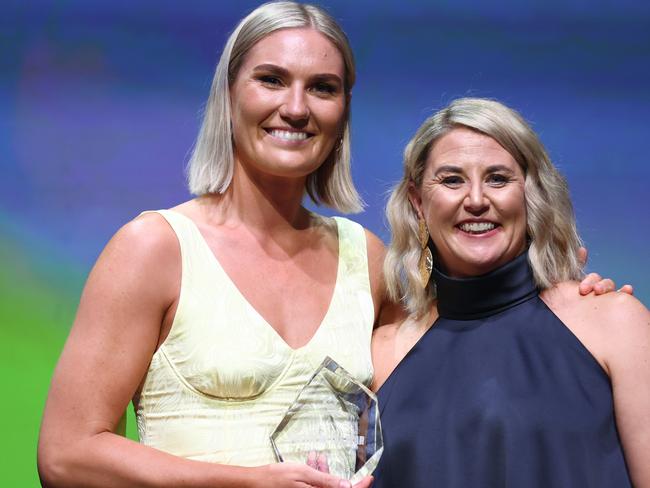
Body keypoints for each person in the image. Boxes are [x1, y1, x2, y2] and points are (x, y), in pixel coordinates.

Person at [37, 3, 622, 487]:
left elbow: (468, 346)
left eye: (323, 87)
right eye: (271, 80)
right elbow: (65, 456)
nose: (295, 107)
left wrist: (563, 295)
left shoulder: (363, 258)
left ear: (343, 113)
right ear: (229, 95)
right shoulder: (156, 248)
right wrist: (244, 482)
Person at [372, 97, 649, 487]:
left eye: (498, 179)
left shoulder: (615, 323)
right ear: (418, 202)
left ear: (530, 193)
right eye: (452, 180)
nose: (476, 200)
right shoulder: (382, 355)